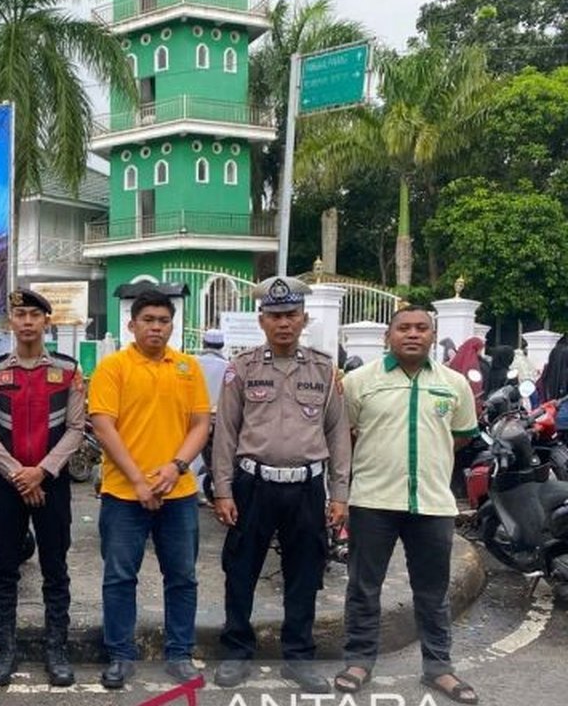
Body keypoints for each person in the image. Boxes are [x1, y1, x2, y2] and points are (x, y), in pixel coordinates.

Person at [209, 276, 351, 694]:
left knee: (304, 574)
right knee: (241, 570)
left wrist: (339, 494)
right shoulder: (242, 368)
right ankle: (236, 651)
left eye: (291, 315)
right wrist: (222, 488)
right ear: (262, 320)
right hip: (253, 485)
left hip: (307, 489)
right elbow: (226, 434)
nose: (283, 323)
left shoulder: (325, 370)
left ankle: (299, 657)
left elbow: (338, 435)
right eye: (275, 316)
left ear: (304, 319)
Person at [335, 306, 480, 705]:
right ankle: (359, 660)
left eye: (421, 328)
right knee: (364, 588)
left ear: (433, 336)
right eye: (403, 328)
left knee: (432, 592)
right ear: (389, 335)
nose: (412, 334)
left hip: (433, 504)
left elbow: (461, 436)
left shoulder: (454, 384)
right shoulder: (359, 382)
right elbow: (343, 436)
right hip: (372, 501)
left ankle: (439, 668)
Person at [88, 290, 211, 690]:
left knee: (182, 577)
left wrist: (176, 467)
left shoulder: (188, 367)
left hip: (178, 493)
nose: (156, 327)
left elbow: (200, 425)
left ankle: (179, 652)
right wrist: (139, 480)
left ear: (172, 325)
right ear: (132, 324)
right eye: (148, 320)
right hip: (124, 494)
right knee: (120, 576)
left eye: (163, 321)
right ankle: (121, 654)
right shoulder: (113, 368)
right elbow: (103, 426)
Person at [0, 289, 84, 687]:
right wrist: (19, 473)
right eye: (19, 314)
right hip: (8, 486)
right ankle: (5, 650)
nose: (26, 322)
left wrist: (42, 472)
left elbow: (76, 428)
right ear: (10, 322)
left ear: (46, 323)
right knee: (4, 570)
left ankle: (57, 650)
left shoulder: (69, 371)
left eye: (34, 315)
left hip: (52, 485)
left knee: (55, 569)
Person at [195, 329, 230, 496]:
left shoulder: (193, 363)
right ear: (222, 345)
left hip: (194, 417)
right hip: (218, 420)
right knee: (215, 455)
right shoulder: (229, 367)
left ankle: (194, 490)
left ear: (204, 343)